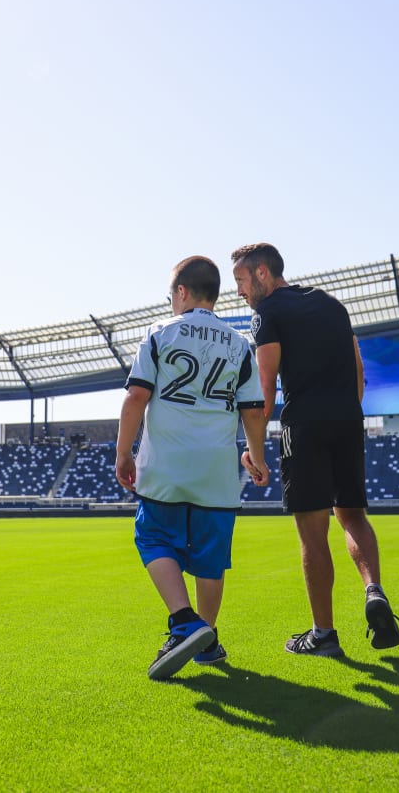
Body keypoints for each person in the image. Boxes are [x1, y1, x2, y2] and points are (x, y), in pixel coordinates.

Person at [230, 242, 399, 657]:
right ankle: (373, 590)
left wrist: (255, 450)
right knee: (353, 517)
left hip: (305, 425)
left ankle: (323, 634)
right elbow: (359, 371)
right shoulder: (332, 305)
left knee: (312, 532)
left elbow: (265, 386)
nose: (238, 291)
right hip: (347, 420)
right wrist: (345, 415)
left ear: (262, 274)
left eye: (240, 281)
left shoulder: (266, 314)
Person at [116, 255, 270, 680]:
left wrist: (123, 452)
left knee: (152, 537)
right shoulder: (240, 344)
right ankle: (209, 639)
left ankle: (184, 622)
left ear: (182, 292)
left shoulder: (160, 333)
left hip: (166, 464)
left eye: (171, 294)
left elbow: (135, 398)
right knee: (209, 558)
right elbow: (254, 412)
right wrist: (257, 458)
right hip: (216, 471)